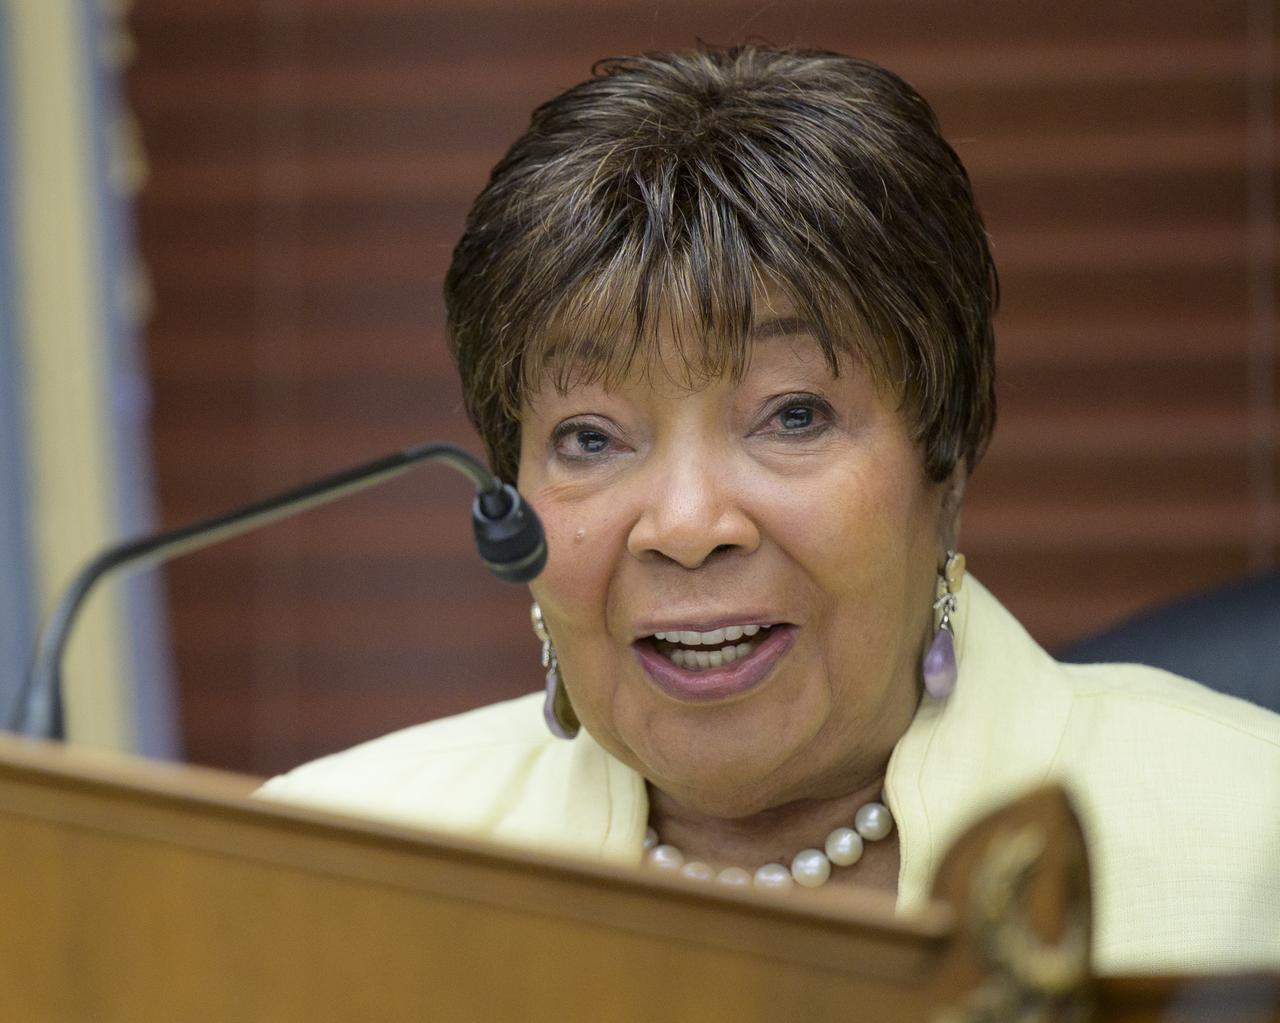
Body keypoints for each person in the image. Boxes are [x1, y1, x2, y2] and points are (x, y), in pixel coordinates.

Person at [258, 46, 1280, 973]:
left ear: (947, 462)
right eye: (589, 437)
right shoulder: (314, 872)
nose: (688, 524)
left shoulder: (1245, 841)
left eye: (792, 415)